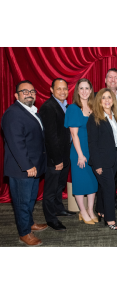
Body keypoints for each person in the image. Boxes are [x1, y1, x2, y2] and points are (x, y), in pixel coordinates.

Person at [1, 80, 47, 246]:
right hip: (22, 169)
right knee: (21, 201)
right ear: (16, 95)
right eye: (24, 91)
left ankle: (29, 223)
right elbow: (16, 143)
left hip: (33, 167)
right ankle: (24, 233)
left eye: (32, 91)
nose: (29, 94)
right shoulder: (13, 113)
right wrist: (27, 165)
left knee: (29, 199)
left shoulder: (32, 111)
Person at [39, 78, 76, 231]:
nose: (62, 91)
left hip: (65, 155)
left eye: (65, 89)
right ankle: (51, 219)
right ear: (51, 90)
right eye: (59, 88)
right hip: (55, 158)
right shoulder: (48, 107)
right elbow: (50, 136)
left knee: (59, 185)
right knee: (50, 189)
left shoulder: (64, 106)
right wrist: (57, 159)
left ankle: (59, 208)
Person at [87, 88, 117, 230]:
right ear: (99, 101)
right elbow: (92, 144)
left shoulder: (115, 115)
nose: (107, 100)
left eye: (109, 97)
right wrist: (97, 164)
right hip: (101, 161)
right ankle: (110, 220)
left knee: (104, 187)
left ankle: (100, 210)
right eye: (104, 98)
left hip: (114, 158)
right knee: (109, 189)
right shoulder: (94, 117)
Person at [64, 79, 98, 225]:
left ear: (91, 91)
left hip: (92, 151)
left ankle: (91, 210)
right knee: (80, 182)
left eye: (87, 88)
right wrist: (80, 155)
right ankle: (82, 211)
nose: (84, 91)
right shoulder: (73, 108)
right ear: (77, 91)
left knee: (92, 182)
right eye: (81, 88)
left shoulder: (94, 108)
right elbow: (74, 134)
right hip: (80, 152)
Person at [95, 68, 117, 210]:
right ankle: (103, 207)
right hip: (103, 149)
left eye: (115, 77)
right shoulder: (96, 98)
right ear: (105, 80)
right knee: (104, 180)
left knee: (115, 177)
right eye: (110, 77)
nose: (113, 80)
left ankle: (111, 201)